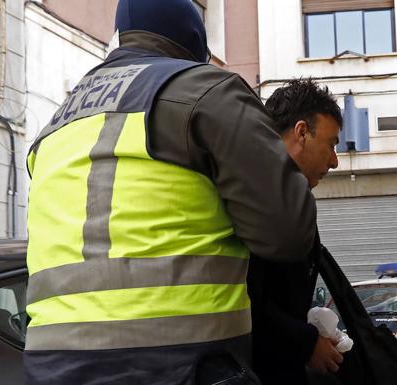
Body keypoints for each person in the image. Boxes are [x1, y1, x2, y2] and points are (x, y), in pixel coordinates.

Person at [24, 1, 318, 384]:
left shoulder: (53, 126)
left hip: (53, 368)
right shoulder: (208, 91)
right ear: (196, 37)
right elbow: (287, 233)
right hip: (181, 363)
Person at [248, 78, 344, 385]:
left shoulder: (285, 195)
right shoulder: (254, 194)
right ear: (301, 132)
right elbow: (245, 295)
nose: (335, 160)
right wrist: (306, 342)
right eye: (331, 144)